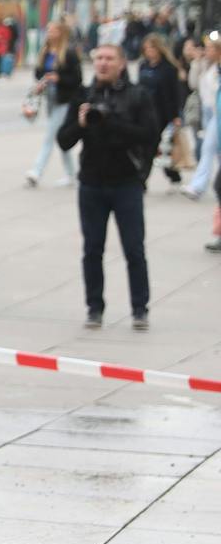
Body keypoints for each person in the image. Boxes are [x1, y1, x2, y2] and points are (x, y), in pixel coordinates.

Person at [58, 45, 158, 330]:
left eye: (109, 58)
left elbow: (149, 135)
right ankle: (94, 308)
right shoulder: (83, 96)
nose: (102, 63)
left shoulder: (137, 95)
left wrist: (112, 121)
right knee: (92, 249)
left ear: (122, 63)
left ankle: (140, 308)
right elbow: (63, 140)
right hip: (91, 184)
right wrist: (80, 124)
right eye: (98, 58)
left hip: (126, 184)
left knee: (134, 249)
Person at [25, 19, 84, 188]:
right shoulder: (45, 51)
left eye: (53, 30)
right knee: (61, 136)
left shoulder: (69, 53)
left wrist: (59, 78)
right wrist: (42, 81)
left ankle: (36, 171)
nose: (49, 33)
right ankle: (71, 174)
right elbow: (38, 72)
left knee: (50, 137)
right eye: (48, 30)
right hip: (50, 99)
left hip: (65, 100)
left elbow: (77, 79)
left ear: (61, 33)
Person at [135, 35, 187, 188]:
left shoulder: (169, 68)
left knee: (152, 145)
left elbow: (176, 92)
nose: (149, 51)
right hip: (144, 111)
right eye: (147, 48)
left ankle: (141, 179)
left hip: (162, 112)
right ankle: (172, 174)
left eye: (152, 48)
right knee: (152, 146)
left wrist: (176, 115)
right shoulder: (143, 66)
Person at [184, 32, 221, 200]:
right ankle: (198, 185)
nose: (206, 51)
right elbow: (193, 84)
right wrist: (197, 63)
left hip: (217, 112)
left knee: (212, 148)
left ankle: (200, 185)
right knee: (208, 148)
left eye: (209, 49)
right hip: (210, 112)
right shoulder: (208, 66)